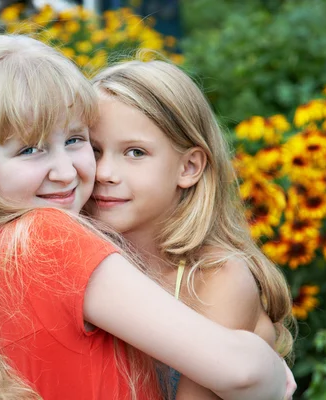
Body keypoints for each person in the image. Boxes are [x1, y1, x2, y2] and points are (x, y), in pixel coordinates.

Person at [0, 35, 296, 400]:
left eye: (76, 140)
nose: (74, 171)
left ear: (190, 167)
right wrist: (268, 368)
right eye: (29, 149)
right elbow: (240, 373)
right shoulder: (46, 236)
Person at [86, 60, 296, 399]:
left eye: (135, 152)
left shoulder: (216, 277)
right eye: (93, 151)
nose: (104, 172)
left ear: (189, 166)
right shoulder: (79, 253)